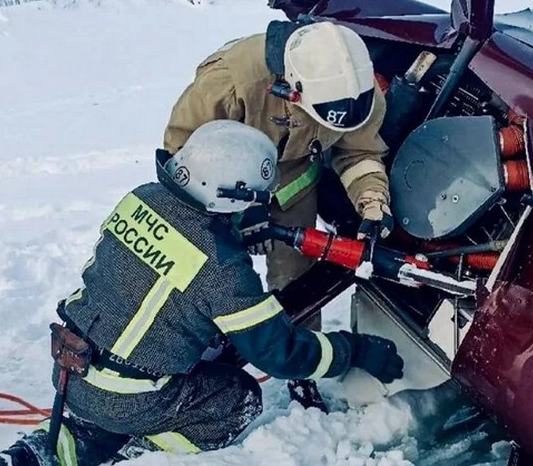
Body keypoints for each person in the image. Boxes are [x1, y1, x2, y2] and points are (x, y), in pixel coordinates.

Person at [0, 120, 403, 466]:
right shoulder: (221, 270)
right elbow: (280, 354)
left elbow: (175, 254)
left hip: (72, 371)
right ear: (231, 198)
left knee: (105, 405)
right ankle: (137, 453)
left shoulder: (141, 199)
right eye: (253, 202)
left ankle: (41, 449)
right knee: (236, 398)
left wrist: (229, 230)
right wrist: (355, 351)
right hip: (131, 396)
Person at [164, 21, 393, 307]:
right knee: (213, 277)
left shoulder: (358, 92)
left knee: (297, 282)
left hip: (293, 182)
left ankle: (296, 342)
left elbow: (359, 152)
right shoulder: (231, 82)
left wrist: (372, 202)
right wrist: (242, 208)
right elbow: (182, 153)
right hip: (217, 185)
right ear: (291, 90)